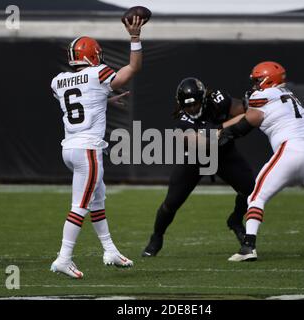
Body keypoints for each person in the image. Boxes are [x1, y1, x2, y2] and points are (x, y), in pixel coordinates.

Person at [217, 61, 304, 262]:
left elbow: (247, 124)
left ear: (267, 79)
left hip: (291, 151)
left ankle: (248, 247)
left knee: (256, 197)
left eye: (257, 81)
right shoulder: (288, 95)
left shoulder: (263, 96)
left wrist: (223, 134)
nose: (254, 85)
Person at [50, 16, 145, 278]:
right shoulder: (98, 73)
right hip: (87, 150)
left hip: (69, 147)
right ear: (93, 56)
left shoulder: (58, 81)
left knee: (97, 199)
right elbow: (133, 68)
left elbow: (76, 101)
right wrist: (135, 38)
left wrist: (105, 100)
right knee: (79, 205)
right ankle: (63, 257)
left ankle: (110, 249)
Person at [141, 77, 255, 257]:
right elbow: (205, 142)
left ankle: (235, 220)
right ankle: (157, 236)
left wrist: (226, 127)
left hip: (223, 154)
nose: (192, 108)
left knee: (250, 189)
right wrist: (226, 128)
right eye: (188, 106)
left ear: (204, 98)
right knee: (171, 203)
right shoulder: (181, 121)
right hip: (195, 158)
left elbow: (248, 114)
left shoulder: (219, 100)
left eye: (195, 103)